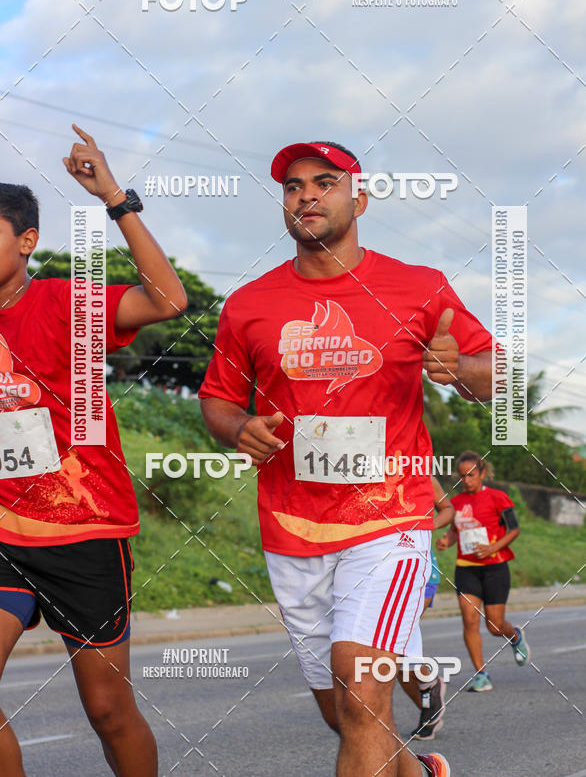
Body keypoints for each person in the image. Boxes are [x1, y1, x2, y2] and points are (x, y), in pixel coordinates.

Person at [200, 140, 495, 777]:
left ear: (358, 199)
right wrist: (239, 428)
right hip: (292, 529)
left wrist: (463, 367)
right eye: (292, 186)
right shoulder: (248, 304)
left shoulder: (419, 288)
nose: (305, 194)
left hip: (389, 522)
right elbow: (219, 400)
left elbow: (495, 375)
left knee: (360, 696)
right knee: (345, 713)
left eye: (324, 182)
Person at [0, 126, 187, 777]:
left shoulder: (62, 301)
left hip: (84, 530)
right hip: (3, 532)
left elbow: (167, 300)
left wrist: (113, 196)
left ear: (27, 242)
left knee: (107, 709)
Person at [436, 450, 530, 692]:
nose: (466, 480)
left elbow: (514, 529)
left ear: (483, 473)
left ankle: (515, 637)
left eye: (471, 475)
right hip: (466, 569)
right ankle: (481, 674)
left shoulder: (499, 498)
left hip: (495, 567)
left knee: (495, 626)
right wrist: (447, 540)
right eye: (462, 476)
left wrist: (492, 548)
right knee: (469, 620)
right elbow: (457, 531)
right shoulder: (456, 503)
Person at [398, 476, 453, 741]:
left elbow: (447, 509)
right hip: (382, 574)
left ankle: (430, 690)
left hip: (420, 573)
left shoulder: (419, 474)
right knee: (395, 657)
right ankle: (430, 697)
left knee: (397, 643)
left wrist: (424, 525)